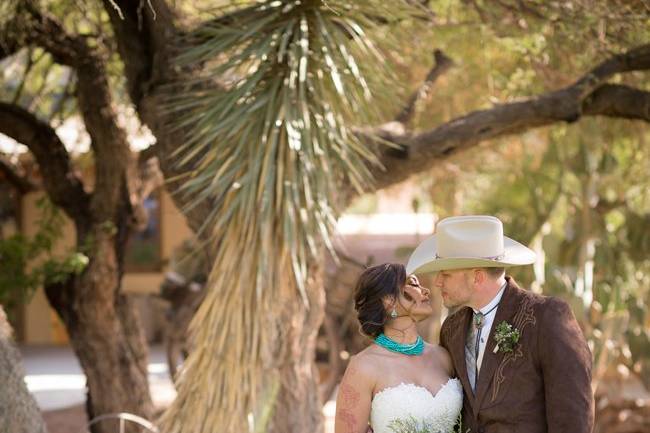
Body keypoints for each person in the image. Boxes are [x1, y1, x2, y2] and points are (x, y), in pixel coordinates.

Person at [406, 215, 594, 433]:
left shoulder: (547, 317)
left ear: (477, 277)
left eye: (446, 274)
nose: (437, 282)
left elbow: (573, 415)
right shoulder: (451, 328)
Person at [334, 263, 463, 433]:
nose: (426, 291)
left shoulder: (443, 357)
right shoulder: (363, 367)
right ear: (388, 301)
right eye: (413, 284)